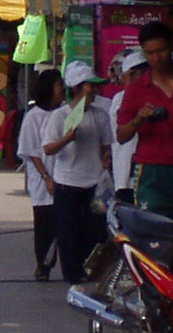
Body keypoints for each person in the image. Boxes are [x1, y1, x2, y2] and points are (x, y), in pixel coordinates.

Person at [114, 20, 173, 225]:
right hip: (151, 173)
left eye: (161, 50)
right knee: (153, 235)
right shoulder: (136, 89)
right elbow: (121, 136)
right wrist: (139, 119)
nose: (156, 58)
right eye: (150, 53)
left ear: (171, 47)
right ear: (144, 53)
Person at [45, 61, 115, 283]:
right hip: (67, 183)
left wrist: (106, 156)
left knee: (96, 230)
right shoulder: (60, 116)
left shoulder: (100, 116)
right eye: (89, 86)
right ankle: (73, 274)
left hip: (94, 184)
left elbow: (106, 145)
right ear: (76, 88)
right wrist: (66, 139)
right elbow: (48, 148)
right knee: (69, 231)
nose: (94, 91)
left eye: (95, 86)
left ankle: (92, 268)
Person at [17, 68, 64, 280]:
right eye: (58, 85)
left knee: (66, 224)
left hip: (65, 174)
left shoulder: (64, 113)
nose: (62, 90)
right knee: (44, 224)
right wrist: (46, 177)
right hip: (44, 177)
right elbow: (31, 150)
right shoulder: (34, 117)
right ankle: (43, 265)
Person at [101, 49, 146, 198]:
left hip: (148, 177)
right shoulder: (120, 99)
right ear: (128, 75)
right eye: (139, 72)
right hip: (125, 175)